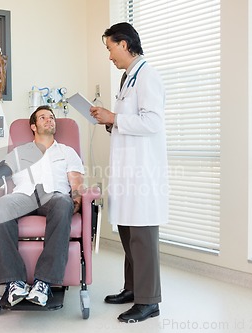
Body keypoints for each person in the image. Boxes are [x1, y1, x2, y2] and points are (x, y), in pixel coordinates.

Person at [89, 22, 168, 323]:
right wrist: (110, 121)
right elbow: (129, 122)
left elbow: (152, 123)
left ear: (123, 44)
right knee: (128, 230)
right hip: (127, 169)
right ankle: (133, 288)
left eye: (110, 48)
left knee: (143, 235)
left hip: (143, 172)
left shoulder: (148, 76)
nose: (109, 55)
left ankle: (149, 301)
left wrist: (115, 117)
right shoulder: (128, 78)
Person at [0, 105, 85, 307]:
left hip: (53, 196)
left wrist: (74, 203)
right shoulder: (19, 152)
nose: (49, 120)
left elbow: (76, 183)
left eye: (51, 117)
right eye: (43, 117)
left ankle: (44, 282)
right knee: (1, 205)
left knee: (63, 202)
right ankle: (15, 282)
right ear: (33, 126)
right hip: (24, 196)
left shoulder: (67, 152)